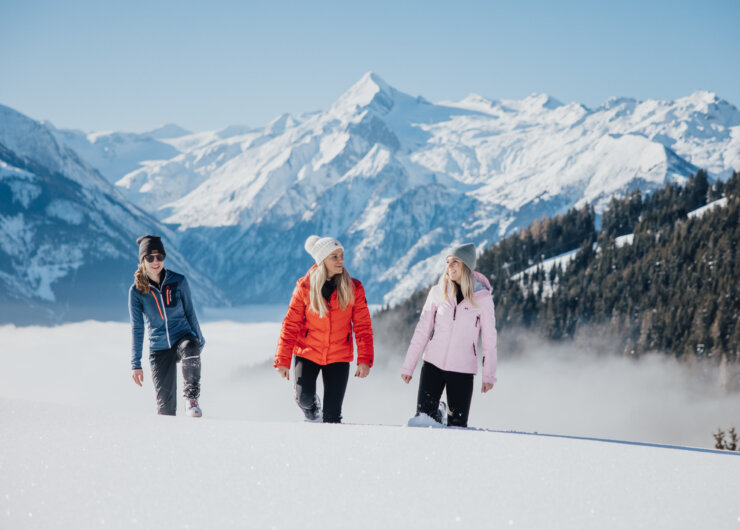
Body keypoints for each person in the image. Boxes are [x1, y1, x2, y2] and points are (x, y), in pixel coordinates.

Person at [274, 235, 374, 423]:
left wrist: (365, 359)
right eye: (334, 256)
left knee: (332, 417)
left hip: (339, 356)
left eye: (341, 255)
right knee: (304, 398)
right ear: (322, 260)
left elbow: (363, 327)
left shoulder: (354, 288)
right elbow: (290, 324)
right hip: (307, 352)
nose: (341, 260)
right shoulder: (304, 287)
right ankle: (312, 413)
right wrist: (283, 359)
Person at [401, 243, 497, 428]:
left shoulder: (482, 299)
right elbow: (422, 330)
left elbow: (489, 339)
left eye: (455, 262)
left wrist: (489, 375)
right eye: (448, 262)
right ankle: (437, 415)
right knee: (422, 422)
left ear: (466, 265)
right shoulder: (438, 292)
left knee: (458, 427)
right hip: (432, 366)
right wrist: (408, 366)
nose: (449, 266)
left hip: (463, 371)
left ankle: (443, 418)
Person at [128, 235, 205, 417]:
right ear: (143, 260)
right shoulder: (136, 291)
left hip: (182, 338)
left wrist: (199, 341)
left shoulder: (178, 281)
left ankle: (191, 399)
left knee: (191, 345)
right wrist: (135, 364)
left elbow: (190, 312)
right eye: (150, 257)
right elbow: (137, 328)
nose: (156, 262)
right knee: (165, 409)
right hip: (159, 348)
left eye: (159, 256)